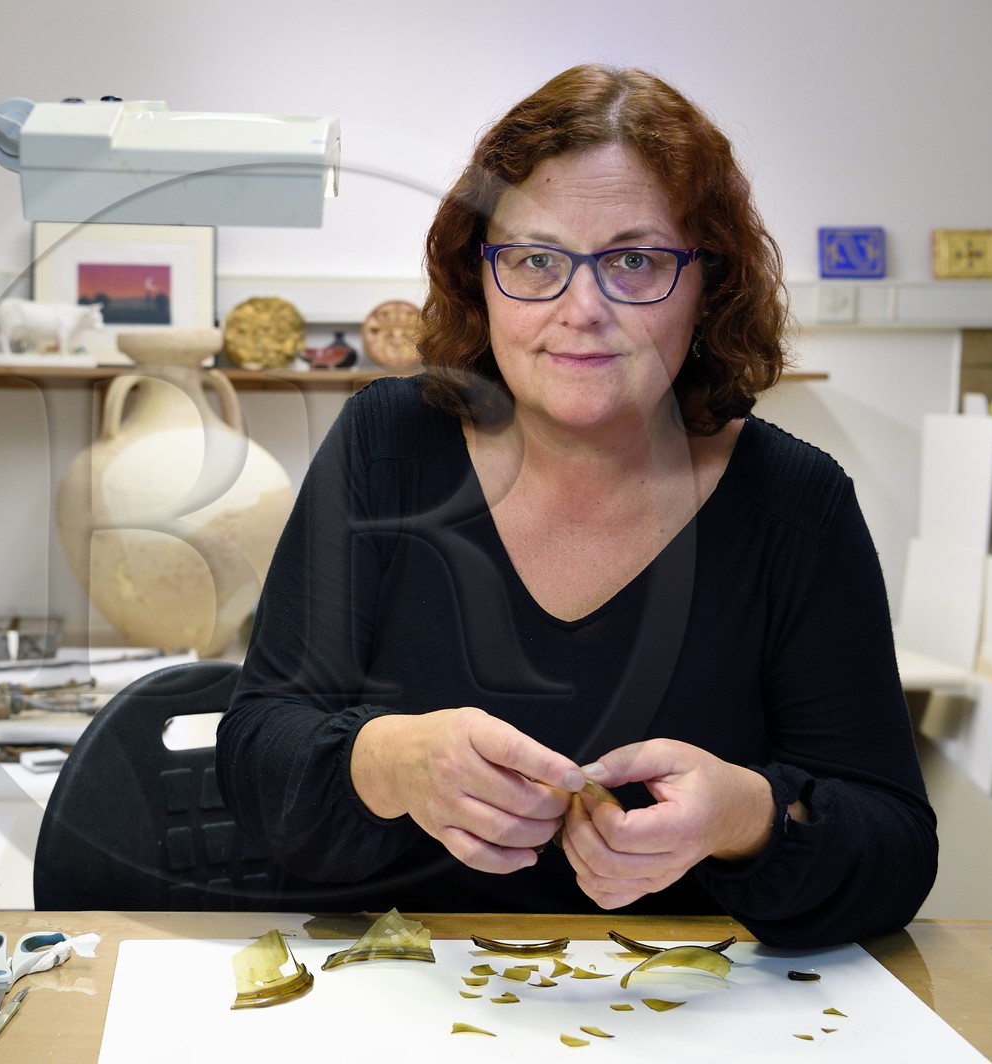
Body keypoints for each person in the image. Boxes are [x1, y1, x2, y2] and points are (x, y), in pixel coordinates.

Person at [215, 65, 937, 948]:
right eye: (535, 260)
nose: (582, 309)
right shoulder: (386, 447)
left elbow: (897, 851)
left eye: (634, 261)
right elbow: (254, 762)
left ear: (710, 284)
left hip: (697, 1015)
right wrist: (389, 762)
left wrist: (747, 816)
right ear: (478, 276)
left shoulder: (797, 503)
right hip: (401, 993)